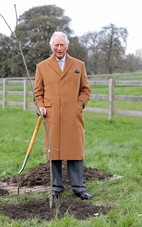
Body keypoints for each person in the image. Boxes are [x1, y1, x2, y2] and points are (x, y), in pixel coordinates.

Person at [34, 31, 92, 200]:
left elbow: (85, 89)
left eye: (62, 45)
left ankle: (79, 188)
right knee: (55, 152)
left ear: (67, 46)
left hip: (73, 116)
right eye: (56, 45)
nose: (59, 48)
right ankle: (56, 187)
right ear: (51, 46)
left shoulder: (78, 65)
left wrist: (79, 105)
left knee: (75, 151)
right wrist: (41, 107)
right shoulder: (42, 66)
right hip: (51, 116)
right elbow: (37, 93)